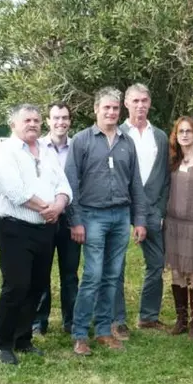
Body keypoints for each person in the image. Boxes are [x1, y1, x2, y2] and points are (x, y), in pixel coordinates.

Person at [0, 104, 72, 365]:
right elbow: (15, 191)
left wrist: (59, 205)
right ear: (13, 124)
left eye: (36, 120)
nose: (33, 124)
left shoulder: (46, 153)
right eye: (27, 120)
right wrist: (47, 208)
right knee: (16, 286)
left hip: (45, 229)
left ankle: (23, 339)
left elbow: (64, 185)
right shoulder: (3, 152)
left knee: (37, 286)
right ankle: (2, 342)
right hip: (15, 228)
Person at [65, 87, 148, 356]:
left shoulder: (127, 142)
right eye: (106, 108)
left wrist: (139, 219)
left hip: (121, 216)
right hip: (92, 217)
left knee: (112, 277)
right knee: (92, 276)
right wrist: (75, 220)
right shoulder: (82, 140)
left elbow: (135, 183)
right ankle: (79, 334)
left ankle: (103, 330)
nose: (111, 112)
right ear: (96, 110)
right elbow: (70, 185)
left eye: (115, 108)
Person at [112, 83, 170, 338]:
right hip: (121, 210)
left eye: (144, 100)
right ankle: (117, 319)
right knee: (116, 265)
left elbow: (164, 177)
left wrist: (159, 209)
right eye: (135, 101)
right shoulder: (116, 134)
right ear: (126, 103)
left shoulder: (160, 136)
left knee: (156, 264)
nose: (140, 105)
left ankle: (148, 316)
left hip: (152, 210)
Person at [32, 102, 81, 336]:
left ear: (70, 121)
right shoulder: (36, 147)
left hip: (70, 219)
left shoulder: (78, 147)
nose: (60, 122)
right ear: (48, 121)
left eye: (65, 118)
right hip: (44, 217)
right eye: (56, 118)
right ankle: (39, 321)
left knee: (70, 274)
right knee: (41, 271)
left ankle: (70, 321)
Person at [164, 116, 193, 339]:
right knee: (176, 272)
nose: (184, 135)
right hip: (173, 224)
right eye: (180, 131)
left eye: (188, 131)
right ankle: (181, 319)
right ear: (176, 136)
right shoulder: (172, 161)